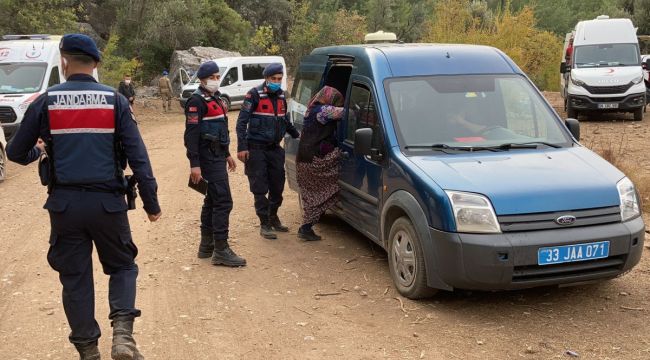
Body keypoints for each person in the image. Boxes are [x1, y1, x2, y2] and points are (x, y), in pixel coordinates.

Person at [6, 34, 161, 360]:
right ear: (97, 64)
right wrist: (151, 203)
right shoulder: (115, 101)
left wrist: (40, 150)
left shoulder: (45, 101)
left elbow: (17, 152)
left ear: (64, 61)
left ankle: (88, 351)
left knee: (75, 279)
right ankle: (122, 337)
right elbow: (139, 157)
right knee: (122, 267)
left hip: (64, 207)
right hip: (108, 205)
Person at [184, 60, 246, 267]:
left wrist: (227, 154)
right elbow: (191, 136)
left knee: (211, 200)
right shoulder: (196, 101)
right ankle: (221, 249)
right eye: (213, 77)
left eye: (218, 77)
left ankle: (206, 245)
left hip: (218, 155)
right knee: (223, 201)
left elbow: (220, 131)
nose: (216, 80)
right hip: (207, 159)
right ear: (202, 79)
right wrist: (195, 164)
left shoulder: (216, 98)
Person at [236, 63, 299, 240]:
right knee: (259, 187)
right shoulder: (254, 95)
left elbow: (284, 121)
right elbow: (241, 123)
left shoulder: (281, 96)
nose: (277, 82)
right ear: (266, 78)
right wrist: (242, 147)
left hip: (274, 149)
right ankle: (264, 223)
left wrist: (297, 136)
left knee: (278, 186)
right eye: (273, 79)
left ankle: (273, 216)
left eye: (279, 79)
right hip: (256, 149)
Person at [296, 86, 345, 241]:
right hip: (313, 159)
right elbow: (346, 113)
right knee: (340, 163)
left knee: (311, 195)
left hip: (303, 158)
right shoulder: (322, 111)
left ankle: (306, 228)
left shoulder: (310, 109)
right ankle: (305, 228)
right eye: (336, 100)